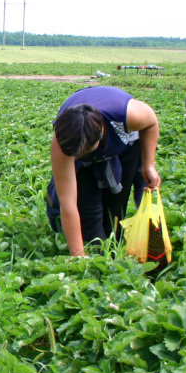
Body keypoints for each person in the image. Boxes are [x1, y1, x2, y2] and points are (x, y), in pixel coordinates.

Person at [46, 86, 160, 257]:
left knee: (116, 206)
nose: (79, 155)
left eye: (84, 151)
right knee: (88, 214)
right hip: (83, 141)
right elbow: (67, 203)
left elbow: (151, 122)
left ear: (99, 137)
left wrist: (148, 165)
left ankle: (115, 245)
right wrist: (78, 257)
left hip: (124, 145)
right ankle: (98, 252)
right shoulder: (64, 141)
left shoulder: (129, 116)